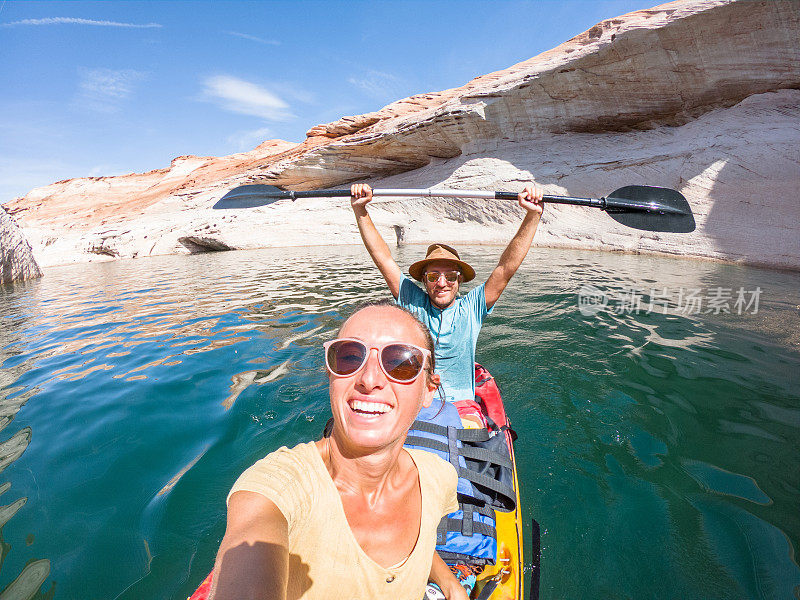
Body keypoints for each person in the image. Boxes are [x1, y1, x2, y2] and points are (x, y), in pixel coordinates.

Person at [210, 302, 469, 600]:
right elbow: (253, 535)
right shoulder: (278, 487)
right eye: (349, 358)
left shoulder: (438, 476)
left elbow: (424, 536)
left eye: (401, 363)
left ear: (428, 391)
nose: (369, 379)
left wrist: (449, 583)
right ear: (331, 376)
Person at [350, 183, 544, 403]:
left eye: (450, 276)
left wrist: (533, 214)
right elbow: (383, 258)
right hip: (418, 402)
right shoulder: (413, 301)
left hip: (461, 405)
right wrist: (360, 210)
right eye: (433, 277)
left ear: (459, 280)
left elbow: (505, 268)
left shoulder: (472, 307)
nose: (441, 283)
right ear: (424, 280)